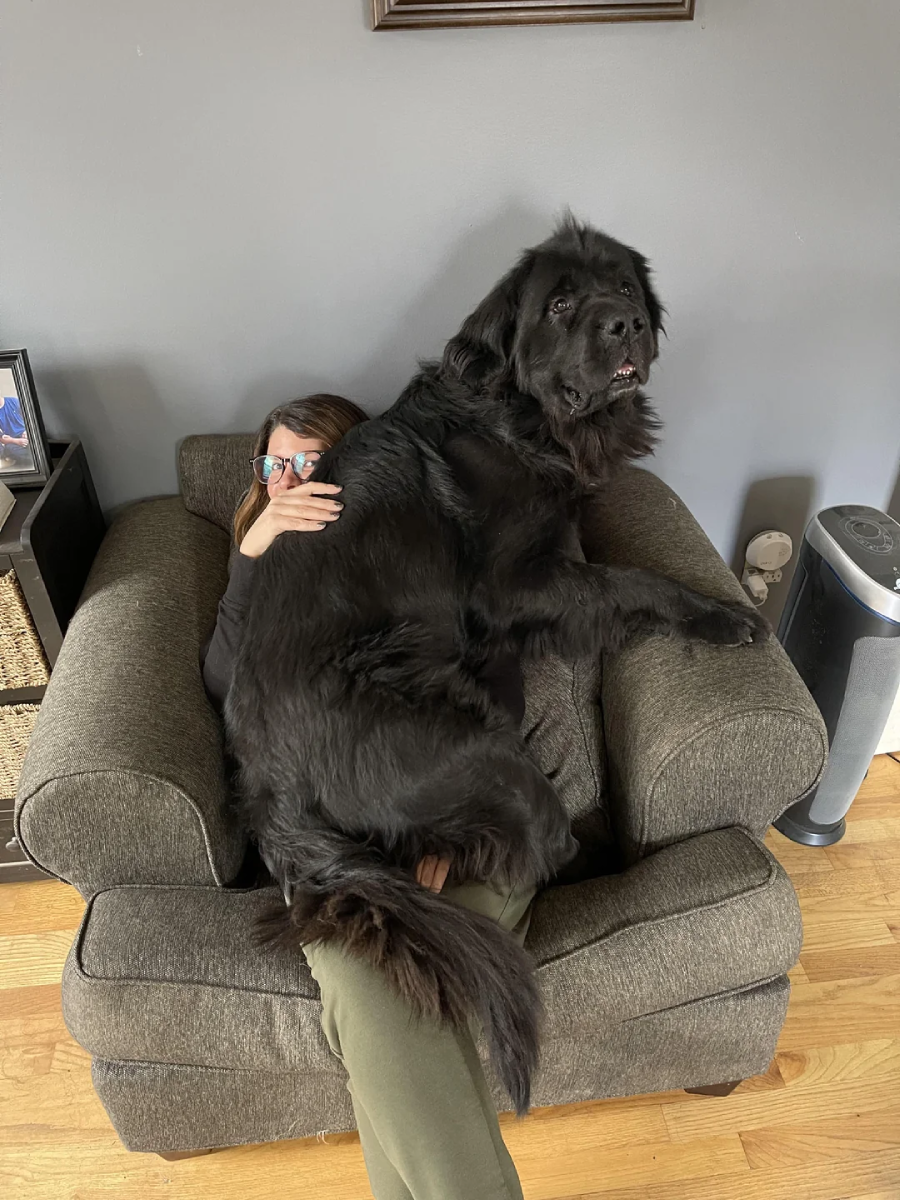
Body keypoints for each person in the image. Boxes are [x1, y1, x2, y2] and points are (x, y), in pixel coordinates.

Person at [201, 393, 604, 1200]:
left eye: (311, 468)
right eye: (275, 467)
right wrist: (256, 557)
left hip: (470, 831)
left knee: (373, 990)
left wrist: (438, 838)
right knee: (365, 973)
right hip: (334, 854)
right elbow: (225, 685)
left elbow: (494, 705)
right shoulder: (266, 568)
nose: (290, 484)